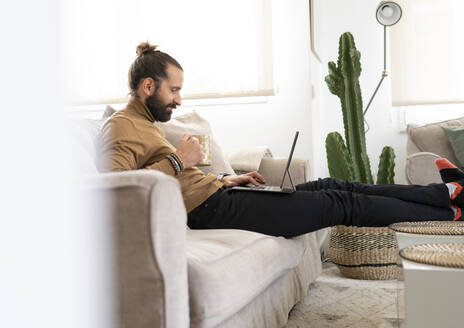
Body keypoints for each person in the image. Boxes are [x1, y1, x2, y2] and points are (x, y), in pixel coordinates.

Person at [98, 42, 464, 238]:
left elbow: (167, 180)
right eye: (174, 90)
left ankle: (445, 194)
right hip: (208, 211)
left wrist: (226, 179)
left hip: (219, 195)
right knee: (341, 203)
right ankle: (450, 213)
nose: (179, 99)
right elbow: (115, 193)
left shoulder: (146, 122)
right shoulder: (120, 127)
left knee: (333, 183)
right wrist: (180, 159)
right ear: (149, 86)